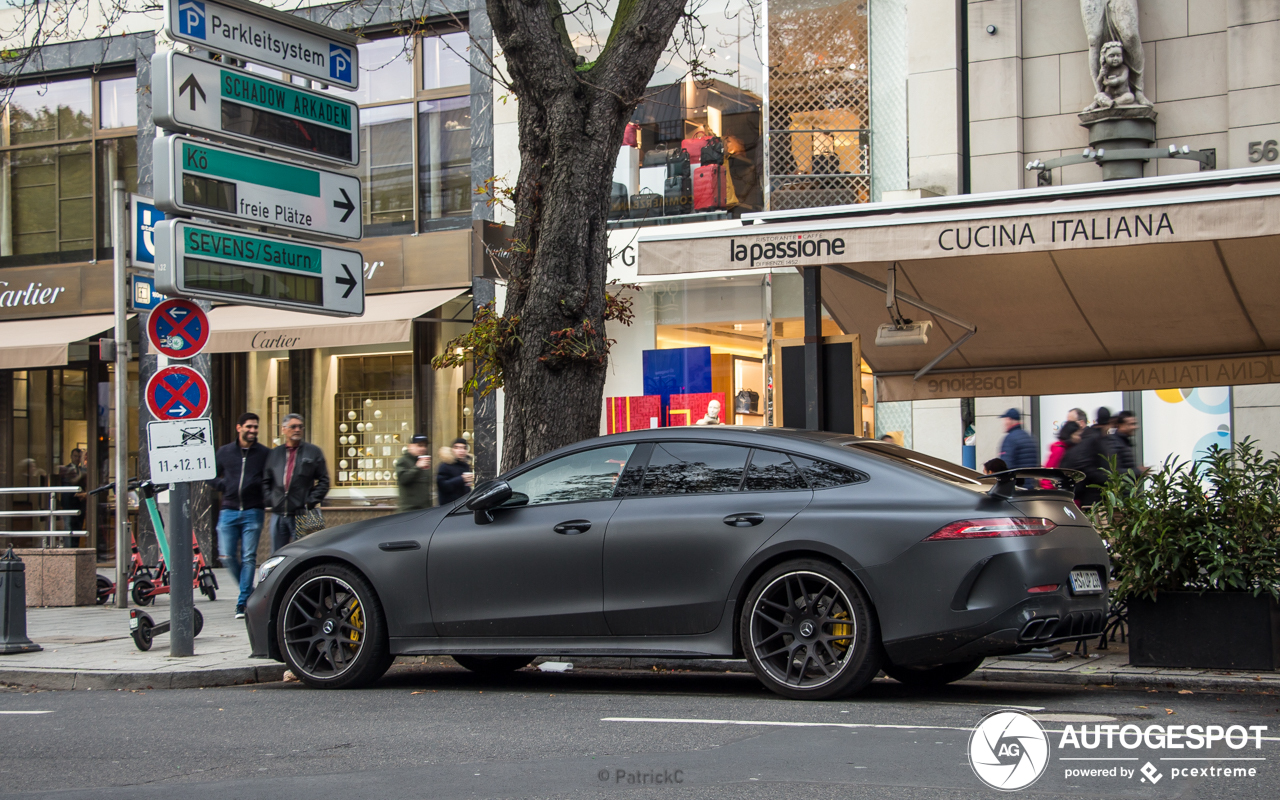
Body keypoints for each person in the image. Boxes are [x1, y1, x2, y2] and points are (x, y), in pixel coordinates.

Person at [213, 412, 269, 618]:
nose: (253, 430)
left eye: (255, 427)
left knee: (248, 557)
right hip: (228, 510)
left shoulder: (264, 454)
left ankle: (243, 602)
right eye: (249, 427)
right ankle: (250, 592)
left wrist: (262, 490)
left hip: (253, 510)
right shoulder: (225, 452)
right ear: (239, 428)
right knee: (226, 556)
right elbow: (210, 473)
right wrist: (224, 485)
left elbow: (269, 479)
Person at [264, 413, 330, 553]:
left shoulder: (313, 452)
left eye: (300, 427)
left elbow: (324, 481)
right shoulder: (275, 453)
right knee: (277, 554)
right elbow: (266, 480)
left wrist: (309, 502)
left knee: (303, 553)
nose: (297, 430)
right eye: (293, 427)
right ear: (284, 429)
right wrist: (271, 500)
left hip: (302, 514)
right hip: (278, 514)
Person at [1061, 407, 1112, 507]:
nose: (1068, 426)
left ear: (1082, 423)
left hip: (1089, 495)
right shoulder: (1087, 440)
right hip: (1089, 495)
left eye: (1071, 422)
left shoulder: (1088, 440)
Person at [394, 434, 434, 512]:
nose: (423, 448)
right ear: (410, 446)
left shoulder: (424, 462)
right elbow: (403, 479)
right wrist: (417, 467)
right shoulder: (403, 461)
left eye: (425, 446)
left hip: (424, 510)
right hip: (408, 511)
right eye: (419, 445)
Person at [1103, 410, 1143, 480]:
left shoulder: (1125, 442)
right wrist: (1138, 471)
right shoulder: (1114, 442)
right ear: (1120, 425)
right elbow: (1114, 471)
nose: (1135, 427)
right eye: (1131, 424)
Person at [1041, 420, 1081, 489]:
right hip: (1055, 491)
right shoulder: (1060, 449)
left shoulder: (1069, 448)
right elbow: (1049, 470)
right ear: (1070, 434)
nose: (1079, 437)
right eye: (1077, 434)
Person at [436, 438, 474, 506]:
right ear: (452, 449)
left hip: (463, 505)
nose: (461, 450)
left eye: (464, 448)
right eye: (457, 448)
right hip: (448, 506)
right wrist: (461, 479)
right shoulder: (445, 465)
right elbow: (443, 486)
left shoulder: (465, 465)